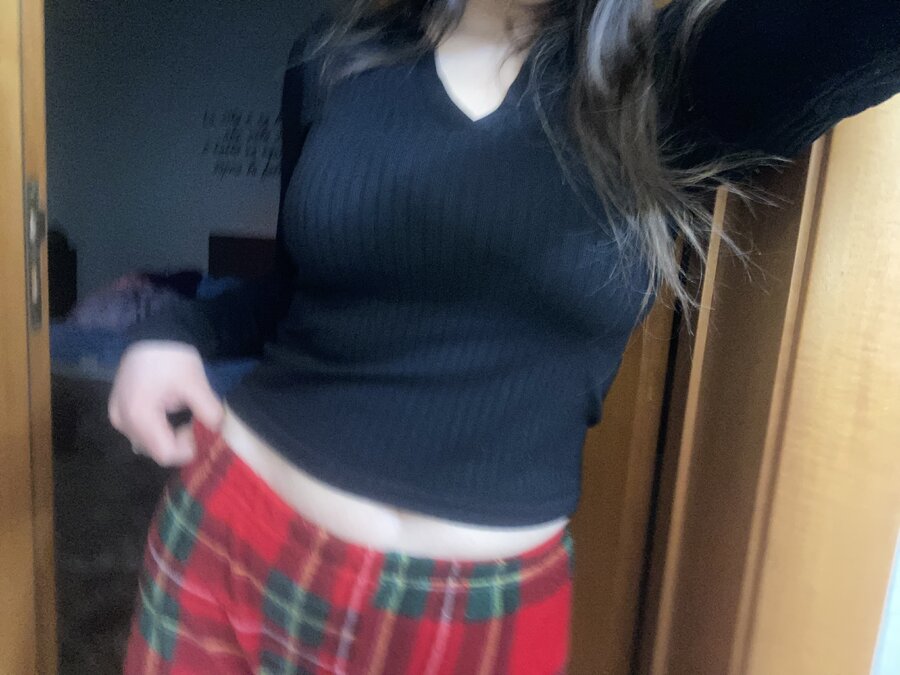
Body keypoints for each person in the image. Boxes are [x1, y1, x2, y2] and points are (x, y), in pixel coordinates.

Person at [110, 0, 900, 672]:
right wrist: (174, 329)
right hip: (233, 536)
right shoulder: (334, 56)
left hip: (478, 619)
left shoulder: (668, 81)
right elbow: (292, 290)